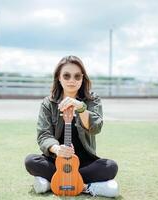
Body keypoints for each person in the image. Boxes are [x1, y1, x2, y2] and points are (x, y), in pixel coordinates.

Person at [24, 55, 119, 198]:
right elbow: (44, 134)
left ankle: (54, 182)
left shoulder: (92, 100)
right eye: (66, 76)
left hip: (85, 162)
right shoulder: (48, 103)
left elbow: (96, 127)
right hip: (57, 161)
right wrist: (57, 149)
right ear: (59, 78)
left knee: (110, 166)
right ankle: (86, 186)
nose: (72, 81)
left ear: (83, 78)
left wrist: (80, 107)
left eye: (77, 76)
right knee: (31, 161)